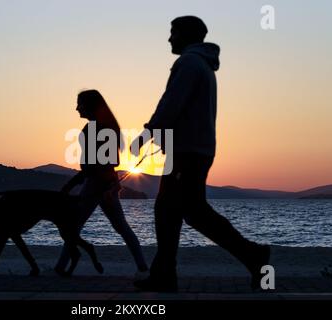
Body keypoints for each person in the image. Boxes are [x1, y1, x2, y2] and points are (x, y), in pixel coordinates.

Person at [131, 16, 270, 292]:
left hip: (186, 151)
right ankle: (166, 275)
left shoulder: (189, 63)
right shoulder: (203, 65)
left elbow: (171, 103)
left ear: (185, 35)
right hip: (196, 150)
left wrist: (147, 134)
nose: (169, 39)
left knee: (178, 211)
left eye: (173, 33)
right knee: (181, 211)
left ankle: (252, 255)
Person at [56, 89, 148, 276]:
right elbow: (109, 162)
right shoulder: (105, 127)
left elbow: (95, 165)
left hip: (96, 184)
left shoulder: (94, 129)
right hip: (104, 183)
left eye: (79, 103)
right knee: (121, 226)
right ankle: (143, 266)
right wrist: (111, 185)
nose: (76, 108)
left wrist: (72, 184)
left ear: (89, 106)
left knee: (74, 226)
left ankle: (60, 267)